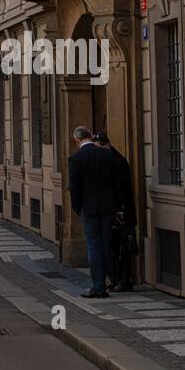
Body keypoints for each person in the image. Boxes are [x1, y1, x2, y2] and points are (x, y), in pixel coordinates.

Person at [68, 125, 124, 298]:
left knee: (94, 245)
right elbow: (117, 184)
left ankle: (98, 286)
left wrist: (78, 208)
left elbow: (74, 189)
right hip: (108, 207)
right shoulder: (107, 155)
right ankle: (112, 279)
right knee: (105, 244)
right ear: (91, 136)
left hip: (89, 208)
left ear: (77, 140)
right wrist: (117, 207)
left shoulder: (76, 158)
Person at [94, 131, 137, 292]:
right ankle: (115, 278)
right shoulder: (107, 160)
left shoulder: (118, 161)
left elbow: (121, 190)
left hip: (121, 212)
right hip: (112, 211)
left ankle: (124, 280)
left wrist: (119, 210)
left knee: (123, 249)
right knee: (113, 247)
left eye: (99, 147)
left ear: (107, 145)